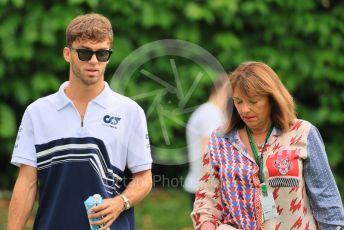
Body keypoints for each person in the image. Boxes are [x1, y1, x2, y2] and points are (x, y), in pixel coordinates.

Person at [7, 13, 152, 230]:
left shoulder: (130, 111)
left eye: (102, 53)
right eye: (85, 53)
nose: (94, 61)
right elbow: (26, 184)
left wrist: (120, 203)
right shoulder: (37, 112)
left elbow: (144, 178)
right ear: (68, 54)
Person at [191, 61, 344, 229]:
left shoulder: (303, 133)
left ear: (272, 98)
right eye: (238, 101)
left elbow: (327, 203)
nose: (245, 109)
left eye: (254, 101)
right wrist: (207, 225)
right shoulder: (220, 140)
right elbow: (206, 201)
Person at [183, 76, 228, 207]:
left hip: (198, 186)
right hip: (205, 189)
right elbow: (207, 152)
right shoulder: (211, 114)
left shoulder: (206, 111)